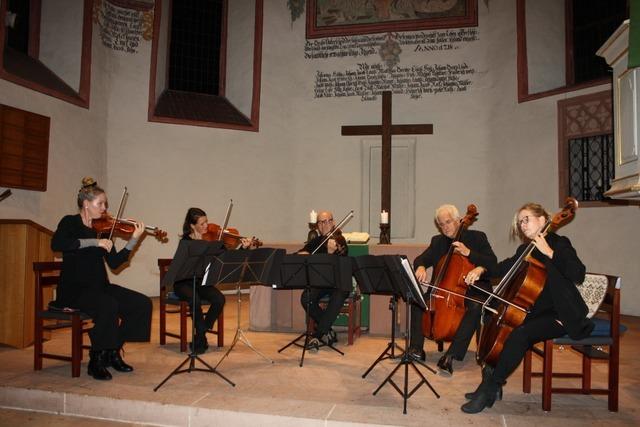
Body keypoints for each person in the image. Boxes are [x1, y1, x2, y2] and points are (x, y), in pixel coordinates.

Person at [461, 202, 593, 414]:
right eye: (520, 222)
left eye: (526, 219)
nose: (522, 225)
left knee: (520, 334)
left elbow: (578, 273)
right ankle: (488, 382)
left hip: (560, 314)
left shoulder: (559, 243)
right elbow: (502, 267)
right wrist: (480, 268)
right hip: (533, 311)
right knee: (494, 319)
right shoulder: (525, 250)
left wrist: (549, 252)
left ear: (542, 220)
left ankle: (490, 389)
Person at [51, 177, 152, 381]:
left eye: (105, 204)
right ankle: (96, 359)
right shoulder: (70, 222)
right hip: (74, 290)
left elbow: (115, 263)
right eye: (100, 204)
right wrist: (93, 243)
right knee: (108, 305)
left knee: (141, 304)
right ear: (86, 204)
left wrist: (133, 241)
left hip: (99, 287)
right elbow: (58, 243)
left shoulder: (104, 230)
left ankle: (112, 350)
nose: (105, 208)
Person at [408, 204, 497, 375]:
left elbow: (492, 262)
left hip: (473, 291)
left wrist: (472, 258)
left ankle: (451, 355)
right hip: (444, 292)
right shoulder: (438, 242)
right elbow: (421, 259)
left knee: (475, 306)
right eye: (441, 224)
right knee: (417, 301)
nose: (445, 227)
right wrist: (420, 266)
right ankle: (417, 349)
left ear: (458, 220)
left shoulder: (477, 238)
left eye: (448, 222)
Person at [171, 207, 254, 354]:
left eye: (206, 222)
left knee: (219, 299)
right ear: (192, 225)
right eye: (202, 224)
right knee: (194, 299)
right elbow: (180, 266)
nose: (206, 227)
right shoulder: (185, 242)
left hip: (200, 282)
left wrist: (243, 247)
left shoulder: (211, 241)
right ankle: (201, 338)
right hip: (183, 283)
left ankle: (200, 333)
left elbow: (228, 259)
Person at [298, 210, 349, 351]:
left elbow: (344, 254)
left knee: (339, 295)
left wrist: (332, 252)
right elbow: (301, 253)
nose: (326, 224)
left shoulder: (340, 239)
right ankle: (328, 330)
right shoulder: (315, 241)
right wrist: (303, 254)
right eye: (322, 222)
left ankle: (318, 334)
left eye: (329, 221)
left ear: (333, 222)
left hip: (338, 282)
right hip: (322, 281)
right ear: (318, 226)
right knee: (306, 298)